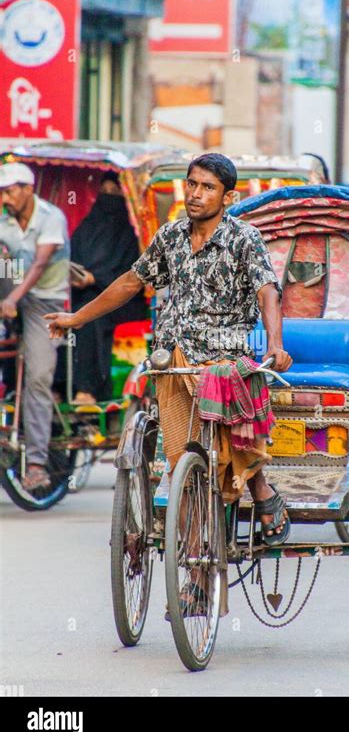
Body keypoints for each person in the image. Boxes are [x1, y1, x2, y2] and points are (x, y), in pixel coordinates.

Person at [45, 153, 293, 552]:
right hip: (173, 357)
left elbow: (267, 290)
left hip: (225, 355)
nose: (196, 194)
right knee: (181, 465)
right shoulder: (170, 237)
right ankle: (195, 566)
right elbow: (129, 282)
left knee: (229, 400)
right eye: (192, 184)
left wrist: (276, 344)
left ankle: (260, 486)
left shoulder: (244, 239)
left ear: (227, 197)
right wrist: (76, 318)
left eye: (207, 187)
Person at [0, 162, 69, 491]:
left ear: (28, 189)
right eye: (3, 191)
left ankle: (38, 463)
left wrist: (13, 298)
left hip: (45, 302)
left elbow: (40, 264)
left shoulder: (51, 216)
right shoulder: (3, 219)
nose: (6, 197)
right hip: (8, 298)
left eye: (11, 190)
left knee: (38, 376)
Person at [69, 171, 146, 404]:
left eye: (115, 193)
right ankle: (61, 387)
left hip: (125, 301)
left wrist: (96, 278)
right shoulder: (87, 226)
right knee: (66, 314)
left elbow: (133, 274)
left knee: (91, 317)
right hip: (85, 294)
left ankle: (89, 390)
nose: (109, 198)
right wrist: (77, 276)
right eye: (105, 192)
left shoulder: (131, 233)